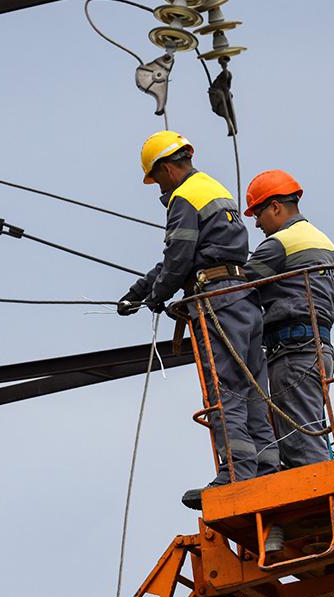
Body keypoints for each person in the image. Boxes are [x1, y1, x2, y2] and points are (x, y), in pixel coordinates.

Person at [117, 131, 275, 509]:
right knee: (252, 384)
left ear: (167, 168)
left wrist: (157, 295)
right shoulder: (213, 189)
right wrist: (141, 290)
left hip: (217, 302)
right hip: (244, 300)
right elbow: (187, 256)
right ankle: (267, 466)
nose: (158, 188)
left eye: (156, 179)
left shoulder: (184, 198)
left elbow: (178, 258)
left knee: (225, 388)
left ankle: (235, 472)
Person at [242, 169, 334, 470]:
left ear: (275, 206)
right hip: (318, 348)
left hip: (293, 351)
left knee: (301, 443)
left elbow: (238, 287)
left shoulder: (280, 244)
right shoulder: (323, 241)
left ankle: (322, 495)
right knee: (309, 427)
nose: (257, 223)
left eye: (258, 213)